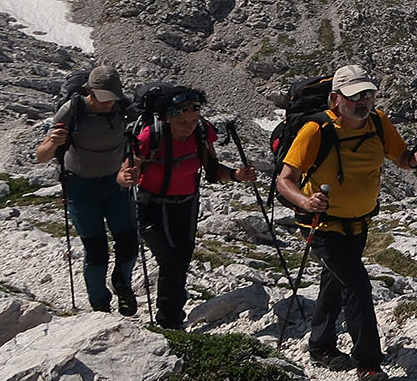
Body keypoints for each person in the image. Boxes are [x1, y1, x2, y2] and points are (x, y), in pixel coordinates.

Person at [275, 64, 417, 381]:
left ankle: (320, 345)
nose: (363, 102)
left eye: (368, 94)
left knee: (335, 282)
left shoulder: (378, 122)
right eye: (355, 97)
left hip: (359, 222)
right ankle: (368, 363)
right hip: (322, 224)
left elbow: (402, 159)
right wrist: (305, 203)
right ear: (336, 99)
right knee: (358, 286)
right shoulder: (315, 130)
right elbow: (284, 180)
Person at [133, 87, 257, 329]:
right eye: (182, 122)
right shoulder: (151, 136)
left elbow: (211, 170)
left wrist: (236, 175)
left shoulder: (202, 132)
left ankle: (171, 320)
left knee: (181, 260)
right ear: (167, 118)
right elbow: (128, 170)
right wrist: (126, 177)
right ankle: (169, 322)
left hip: (187, 204)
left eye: (193, 120)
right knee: (171, 261)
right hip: (152, 206)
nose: (189, 126)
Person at [36, 64, 142, 315]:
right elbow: (41, 156)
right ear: (89, 92)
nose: (108, 103)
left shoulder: (122, 109)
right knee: (96, 250)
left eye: (113, 98)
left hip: (114, 185)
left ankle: (122, 285)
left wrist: (128, 168)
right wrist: (52, 142)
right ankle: (100, 306)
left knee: (128, 243)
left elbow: (134, 146)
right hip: (79, 188)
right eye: (103, 98)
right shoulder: (72, 110)